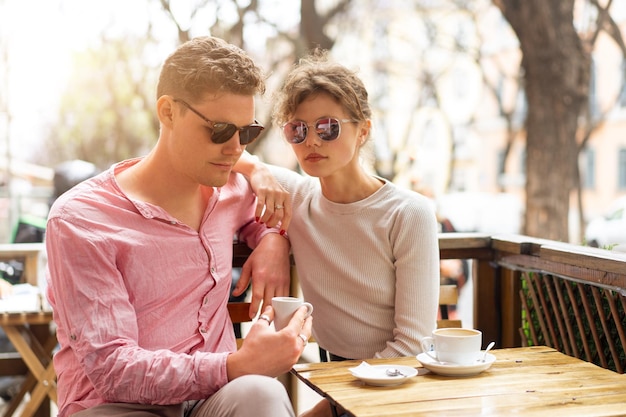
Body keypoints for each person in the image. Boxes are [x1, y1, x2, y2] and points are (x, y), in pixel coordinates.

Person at [45, 36, 312, 417]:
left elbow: (268, 216)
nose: (236, 148)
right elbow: (112, 369)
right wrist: (232, 365)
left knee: (262, 396)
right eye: (220, 130)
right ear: (168, 112)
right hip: (117, 405)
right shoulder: (82, 219)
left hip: (214, 400)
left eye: (247, 133)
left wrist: (273, 238)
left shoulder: (232, 189)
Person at [235, 51, 440, 417]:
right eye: (296, 130)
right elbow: (224, 153)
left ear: (363, 130)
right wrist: (272, 230)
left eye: (327, 127)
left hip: (402, 386)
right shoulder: (295, 196)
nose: (311, 141)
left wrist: (335, 404)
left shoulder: (409, 213)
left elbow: (412, 345)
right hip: (342, 383)